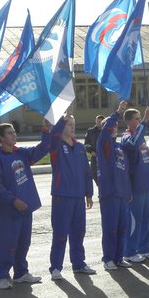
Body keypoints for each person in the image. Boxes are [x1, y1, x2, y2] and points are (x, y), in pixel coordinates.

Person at [0, 120, 51, 289]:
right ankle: (0, 275)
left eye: (14, 132)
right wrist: (13, 200)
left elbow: (42, 149)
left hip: (26, 208)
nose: (14, 135)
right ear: (1, 138)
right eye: (9, 133)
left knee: (24, 242)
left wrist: (45, 130)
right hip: (10, 210)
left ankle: (21, 273)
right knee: (6, 243)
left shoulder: (21, 153)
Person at [48, 114, 96, 281]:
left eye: (73, 124)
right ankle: (55, 268)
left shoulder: (80, 147)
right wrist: (61, 120)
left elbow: (86, 172)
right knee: (60, 233)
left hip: (78, 197)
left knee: (79, 233)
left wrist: (89, 193)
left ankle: (79, 264)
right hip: (62, 196)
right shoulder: (56, 146)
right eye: (69, 124)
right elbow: (53, 134)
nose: (72, 127)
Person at [121, 106, 149, 263]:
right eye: (137, 119)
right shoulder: (126, 138)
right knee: (134, 220)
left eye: (140, 118)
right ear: (129, 121)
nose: (139, 121)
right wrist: (145, 122)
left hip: (145, 187)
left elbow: (147, 162)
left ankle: (144, 248)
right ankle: (129, 252)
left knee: (145, 219)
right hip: (135, 188)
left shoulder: (140, 138)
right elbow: (133, 143)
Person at [97, 101, 132, 271]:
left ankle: (118, 257)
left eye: (117, 126)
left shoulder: (119, 147)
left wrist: (128, 192)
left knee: (121, 228)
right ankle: (108, 258)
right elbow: (105, 131)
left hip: (121, 194)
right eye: (112, 126)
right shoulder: (104, 144)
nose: (115, 128)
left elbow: (124, 172)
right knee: (110, 228)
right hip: (109, 193)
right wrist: (118, 112)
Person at [84, 115, 104, 186]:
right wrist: (91, 151)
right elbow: (86, 144)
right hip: (94, 157)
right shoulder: (90, 131)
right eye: (97, 121)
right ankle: (100, 187)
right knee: (94, 173)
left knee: (104, 175)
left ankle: (103, 190)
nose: (98, 123)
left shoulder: (106, 132)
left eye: (100, 121)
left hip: (104, 157)